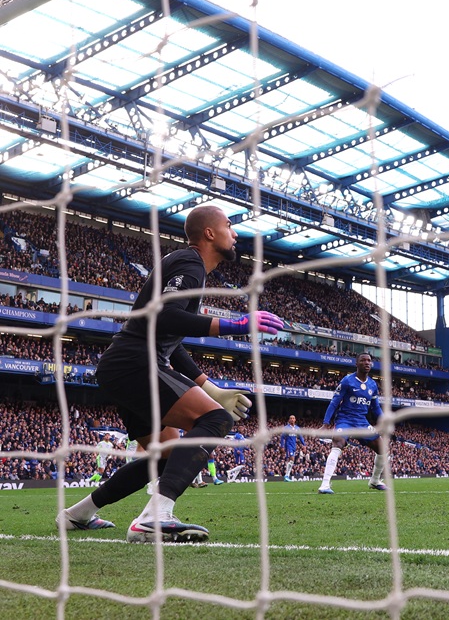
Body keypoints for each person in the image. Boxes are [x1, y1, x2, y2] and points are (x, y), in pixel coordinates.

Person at [56, 204, 283, 541]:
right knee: (216, 421)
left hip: (124, 366)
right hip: (137, 363)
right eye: (229, 225)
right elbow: (165, 317)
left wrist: (210, 387)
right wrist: (235, 325)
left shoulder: (188, 267)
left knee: (163, 458)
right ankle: (155, 518)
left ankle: (77, 515)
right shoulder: (190, 263)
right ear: (209, 233)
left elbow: (170, 340)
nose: (235, 234)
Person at [318, 352, 389, 493]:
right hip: (345, 420)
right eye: (363, 360)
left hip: (362, 422)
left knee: (383, 449)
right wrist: (326, 423)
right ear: (356, 364)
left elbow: (375, 407)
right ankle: (325, 485)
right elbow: (334, 402)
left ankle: (374, 481)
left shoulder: (372, 385)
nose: (367, 363)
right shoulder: (347, 381)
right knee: (338, 443)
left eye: (369, 360)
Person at [280, 415, 307, 481]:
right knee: (291, 459)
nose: (292, 419)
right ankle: (286, 476)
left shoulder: (297, 428)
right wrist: (282, 446)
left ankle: (287, 476)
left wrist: (304, 445)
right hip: (288, 446)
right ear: (289, 420)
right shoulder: (286, 428)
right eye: (291, 418)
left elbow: (300, 437)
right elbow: (282, 437)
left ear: (295, 420)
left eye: (293, 418)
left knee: (291, 461)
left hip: (294, 446)